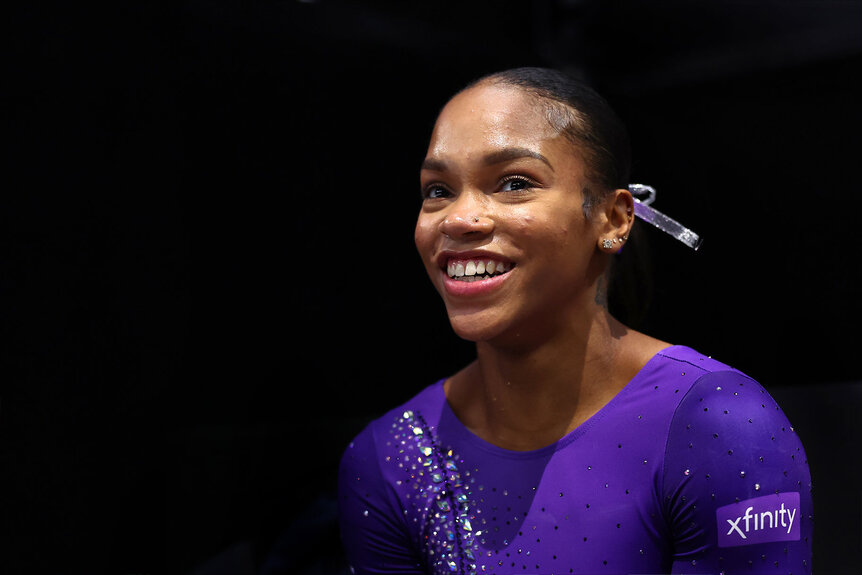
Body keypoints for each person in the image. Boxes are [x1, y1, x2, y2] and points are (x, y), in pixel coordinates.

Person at [337, 67, 812, 574]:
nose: (458, 218)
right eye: (437, 190)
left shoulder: (722, 426)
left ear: (612, 220)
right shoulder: (392, 458)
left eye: (514, 183)